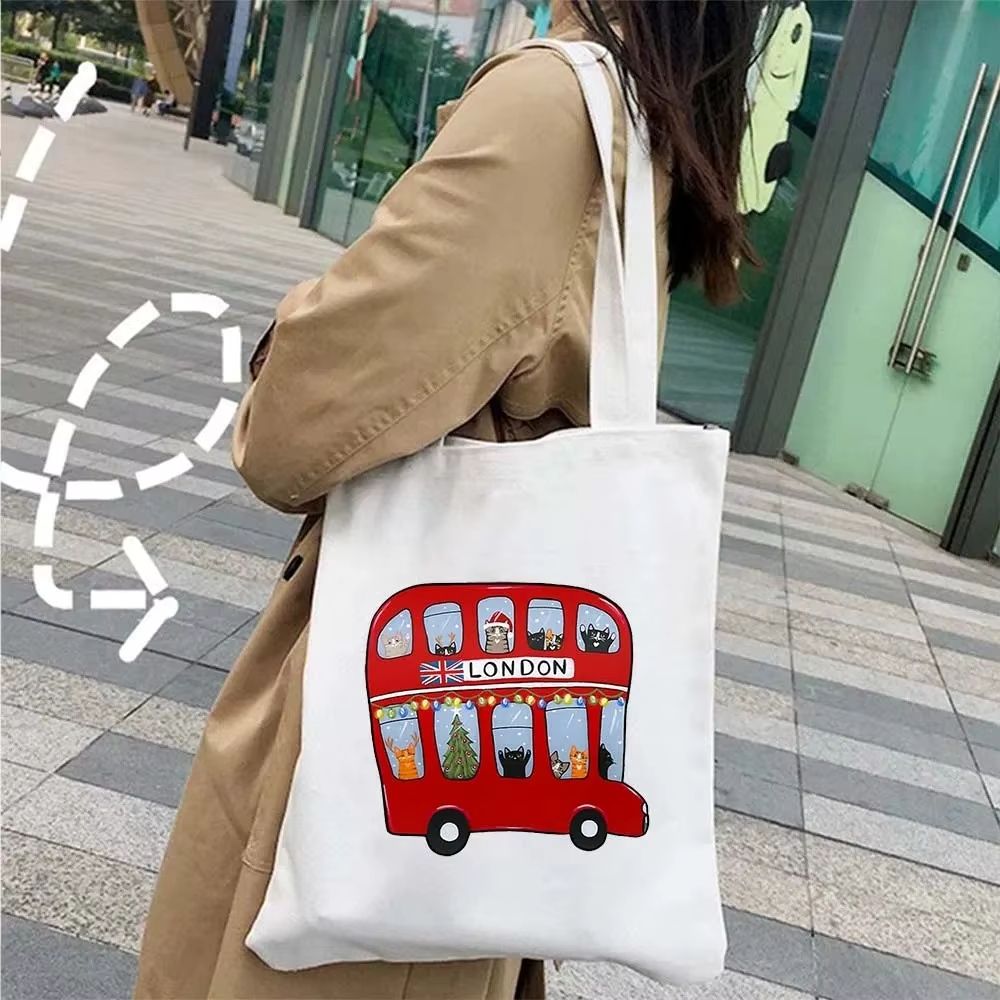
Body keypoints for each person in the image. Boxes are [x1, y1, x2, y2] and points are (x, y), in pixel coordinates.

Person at [134, 1, 765, 997]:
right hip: (459, 812)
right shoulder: (644, 110)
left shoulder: (548, 103)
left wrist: (290, 337)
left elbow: (294, 429)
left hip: (362, 792)